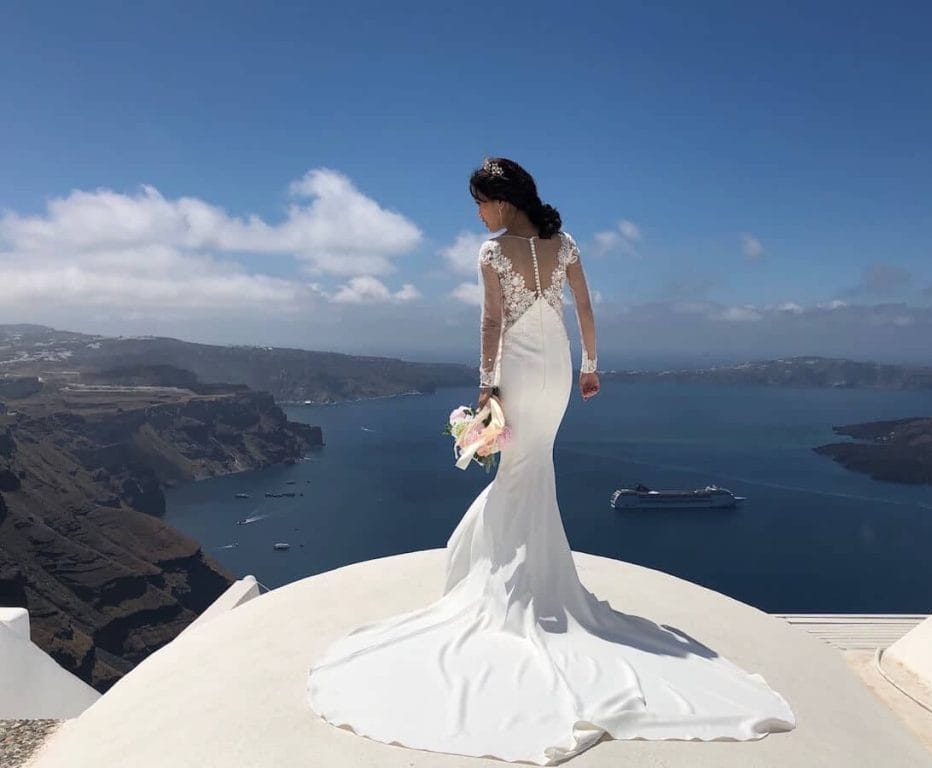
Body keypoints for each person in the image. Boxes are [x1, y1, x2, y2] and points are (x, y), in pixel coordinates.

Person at [306, 158, 796, 765]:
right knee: (533, 468)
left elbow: (490, 321)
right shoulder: (563, 244)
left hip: (515, 368)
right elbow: (586, 310)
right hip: (557, 372)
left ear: (500, 200)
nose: (478, 214)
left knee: (519, 471)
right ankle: (535, 583)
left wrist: (484, 389)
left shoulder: (491, 253)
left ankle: (513, 591)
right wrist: (590, 367)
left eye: (480, 202)